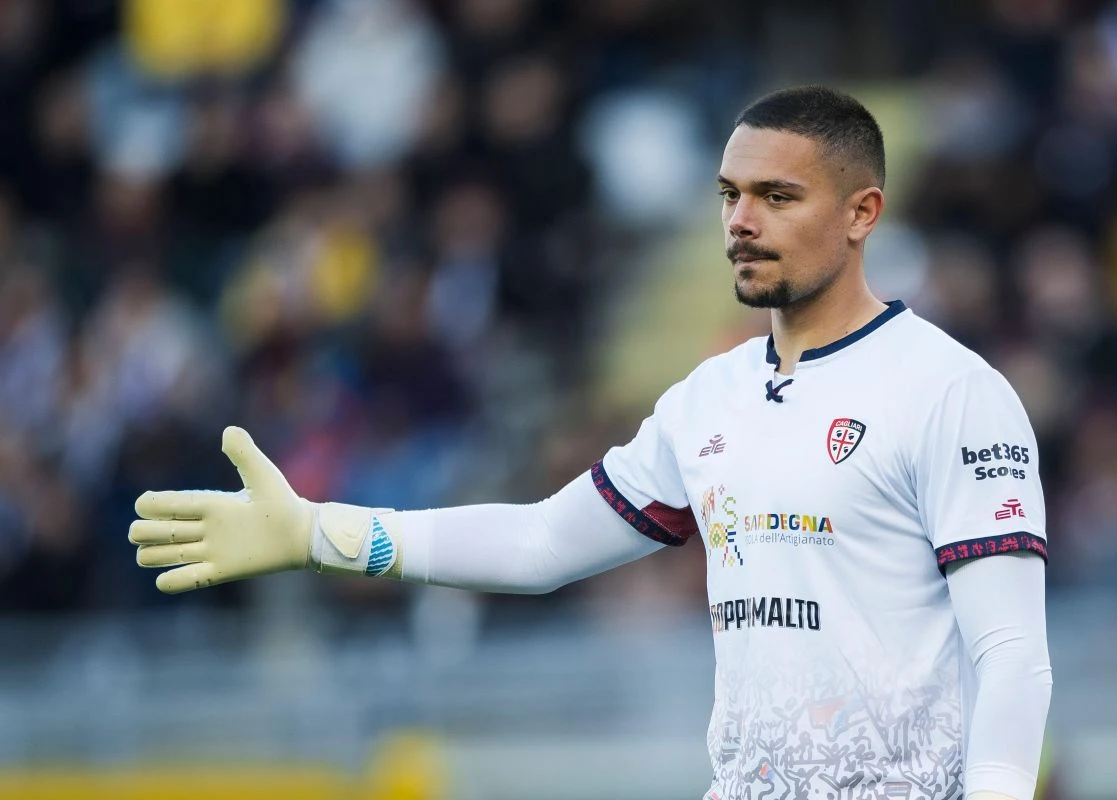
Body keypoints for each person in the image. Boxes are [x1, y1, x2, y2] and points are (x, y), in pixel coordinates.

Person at [129, 86, 1052, 800]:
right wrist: (320, 533)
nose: (740, 221)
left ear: (863, 213)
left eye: (778, 196)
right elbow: (540, 544)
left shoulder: (953, 394)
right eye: (730, 195)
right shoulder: (708, 400)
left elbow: (1009, 644)